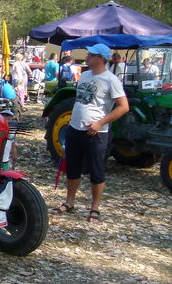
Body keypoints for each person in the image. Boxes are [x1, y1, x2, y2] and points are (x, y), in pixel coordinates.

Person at [54, 44, 129, 224]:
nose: (86, 56)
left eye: (91, 55)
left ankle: (95, 208)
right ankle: (69, 202)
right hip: (74, 128)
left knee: (96, 170)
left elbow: (124, 107)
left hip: (95, 132)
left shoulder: (111, 80)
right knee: (72, 168)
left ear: (101, 58)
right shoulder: (86, 75)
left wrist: (100, 122)